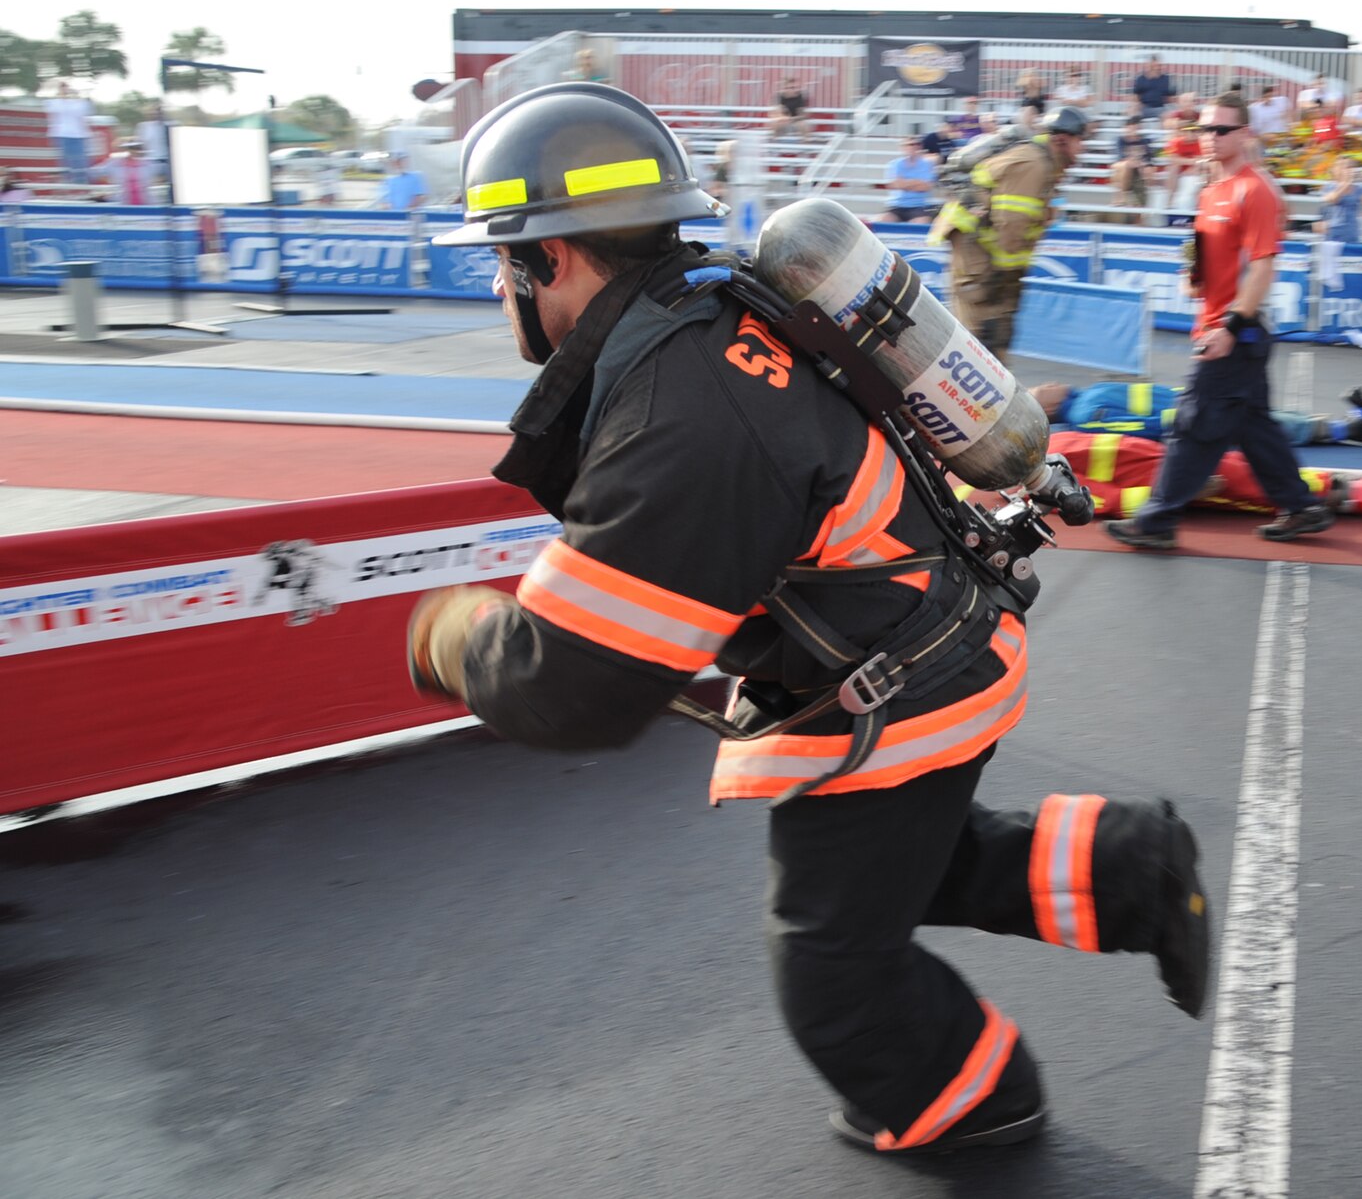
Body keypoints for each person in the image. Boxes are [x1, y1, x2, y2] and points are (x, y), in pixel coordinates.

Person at [412, 82, 1210, 1159]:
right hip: (938, 633)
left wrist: (455, 639)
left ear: (543, 258)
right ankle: (1136, 870)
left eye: (498, 259)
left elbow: (578, 684)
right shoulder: (711, 307)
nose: (498, 284)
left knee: (833, 966)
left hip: (902, 677)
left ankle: (973, 1104)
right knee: (914, 866)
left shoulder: (677, 407)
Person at [1103, 91, 1335, 551]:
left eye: (1221, 130)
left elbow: (1264, 266)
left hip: (1234, 333)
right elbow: (1201, 271)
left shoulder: (1257, 189)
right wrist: (1193, 269)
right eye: (1205, 129)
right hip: (1220, 327)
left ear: (1246, 133)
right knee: (1255, 429)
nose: (1210, 138)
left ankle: (1156, 519)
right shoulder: (1210, 191)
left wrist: (1229, 326)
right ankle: (1301, 507)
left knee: (1193, 425)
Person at [933, 105, 1091, 357]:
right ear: (1062, 139)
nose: (1083, 147)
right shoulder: (1035, 164)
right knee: (981, 336)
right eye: (1080, 139)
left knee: (997, 330)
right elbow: (1011, 226)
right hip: (977, 249)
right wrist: (1006, 278)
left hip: (988, 250)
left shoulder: (1047, 165)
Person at [1049, 430, 1362, 521]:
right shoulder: (1036, 476)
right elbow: (1105, 501)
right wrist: (1185, 489)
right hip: (1178, 476)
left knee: (1264, 469)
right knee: (1263, 486)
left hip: (1175, 458)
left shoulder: (1041, 440)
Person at [1032, 379, 1362, 448]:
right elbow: (1137, 427)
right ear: (1049, 406)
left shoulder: (1086, 396)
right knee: (1271, 426)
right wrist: (1186, 417)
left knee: (1269, 416)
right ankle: (1350, 429)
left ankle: (1350, 427)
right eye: (1044, 388)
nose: (1050, 382)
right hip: (1191, 415)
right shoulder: (1085, 412)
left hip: (1191, 401)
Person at [1314, 156, 1362, 290]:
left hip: (1352, 232)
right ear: (1335, 170)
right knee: (1332, 267)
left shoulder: (1359, 188)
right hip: (1333, 234)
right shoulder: (1328, 187)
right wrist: (1345, 184)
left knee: (1351, 266)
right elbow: (1332, 199)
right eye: (1344, 167)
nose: (1348, 170)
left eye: (1350, 167)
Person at [879, 136, 939, 223]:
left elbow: (925, 187)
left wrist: (905, 184)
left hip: (918, 206)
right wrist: (916, 182)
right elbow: (896, 184)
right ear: (903, 147)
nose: (914, 147)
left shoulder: (926, 164)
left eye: (917, 144)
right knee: (882, 221)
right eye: (910, 145)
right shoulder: (895, 164)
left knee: (922, 223)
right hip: (896, 205)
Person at [46, 82, 93, 185]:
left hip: (79, 136)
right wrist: (62, 98)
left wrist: (76, 96)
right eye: (63, 89)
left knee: (80, 161)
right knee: (65, 161)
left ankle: (82, 183)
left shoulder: (79, 103)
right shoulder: (54, 102)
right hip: (62, 135)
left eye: (66, 89)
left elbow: (84, 111)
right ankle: (67, 183)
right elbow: (54, 110)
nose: (65, 91)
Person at [1107, 142, 1153, 224]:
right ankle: (1121, 198)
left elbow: (1147, 171)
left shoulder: (1143, 166)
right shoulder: (1122, 165)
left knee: (1140, 188)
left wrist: (1140, 168)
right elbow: (1114, 166)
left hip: (1136, 183)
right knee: (1124, 169)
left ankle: (1138, 219)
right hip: (1129, 183)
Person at [1130, 56, 1174, 122]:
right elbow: (1135, 96)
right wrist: (1137, 105)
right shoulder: (1141, 79)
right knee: (1133, 112)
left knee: (1167, 115)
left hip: (1160, 108)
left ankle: (1162, 132)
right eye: (1155, 66)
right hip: (1144, 108)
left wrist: (1172, 108)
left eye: (1159, 66)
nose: (1158, 68)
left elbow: (1170, 97)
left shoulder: (1166, 79)